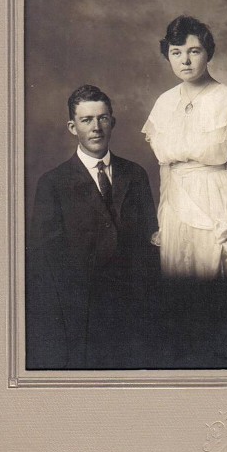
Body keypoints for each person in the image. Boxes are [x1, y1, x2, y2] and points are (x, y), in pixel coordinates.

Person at [26, 85, 158, 369]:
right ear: (72, 127)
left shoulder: (135, 174)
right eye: (86, 120)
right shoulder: (53, 183)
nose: (96, 128)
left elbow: (150, 242)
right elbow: (45, 260)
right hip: (81, 315)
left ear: (113, 122)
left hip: (134, 312)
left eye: (102, 118)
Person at [142, 15, 227, 280]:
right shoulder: (164, 103)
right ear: (168, 56)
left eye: (194, 51)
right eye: (176, 52)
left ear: (208, 53)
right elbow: (166, 171)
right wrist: (164, 222)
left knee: (218, 281)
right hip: (176, 209)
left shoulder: (225, 100)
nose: (185, 61)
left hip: (218, 204)